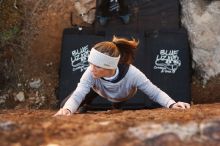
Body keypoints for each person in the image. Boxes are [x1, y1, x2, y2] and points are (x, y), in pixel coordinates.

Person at [54, 36, 190, 116]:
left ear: (110, 66)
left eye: (97, 66)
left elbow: (154, 92)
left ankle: (116, 107)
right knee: (66, 104)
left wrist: (172, 104)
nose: (91, 69)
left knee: (117, 103)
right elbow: (78, 93)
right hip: (98, 89)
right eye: (90, 64)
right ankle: (85, 106)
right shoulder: (91, 72)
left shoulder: (132, 74)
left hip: (122, 93)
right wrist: (67, 109)